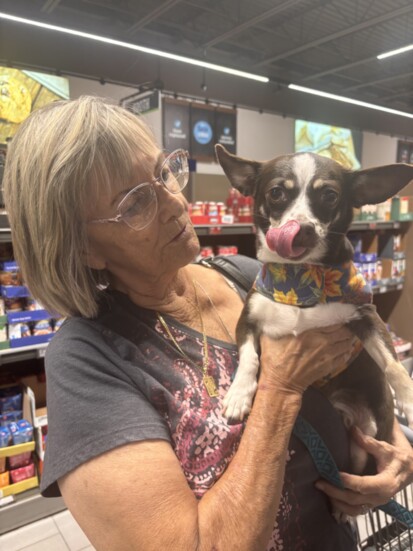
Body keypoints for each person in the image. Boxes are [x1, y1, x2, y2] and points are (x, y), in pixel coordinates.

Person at [3, 96, 413, 551]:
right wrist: (279, 388)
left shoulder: (244, 275)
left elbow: (356, 371)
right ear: (81, 248)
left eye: (163, 173)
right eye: (136, 202)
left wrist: (393, 450)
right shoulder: (88, 360)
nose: (175, 202)